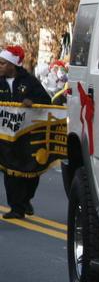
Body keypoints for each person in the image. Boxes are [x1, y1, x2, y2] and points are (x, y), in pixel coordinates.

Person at [0, 45, 52, 219]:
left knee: (30, 171)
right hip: (6, 136)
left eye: (2, 63)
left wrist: (32, 101)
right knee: (9, 170)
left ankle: (26, 199)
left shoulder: (29, 81)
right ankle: (16, 207)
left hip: (27, 135)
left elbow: (47, 100)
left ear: (12, 65)